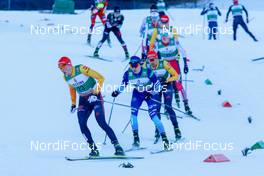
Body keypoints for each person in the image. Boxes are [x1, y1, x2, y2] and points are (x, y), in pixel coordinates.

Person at [58, 56, 125, 156]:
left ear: (69, 65)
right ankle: (93, 149)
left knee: (101, 122)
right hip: (83, 100)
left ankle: (117, 147)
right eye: (60, 68)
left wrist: (96, 92)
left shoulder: (80, 69)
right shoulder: (65, 77)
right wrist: (73, 103)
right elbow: (72, 89)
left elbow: (101, 78)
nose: (62, 70)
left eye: (62, 67)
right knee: (82, 124)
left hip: (95, 97)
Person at [111, 56, 170, 150]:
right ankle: (136, 140)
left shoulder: (148, 72)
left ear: (140, 64)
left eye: (135, 65)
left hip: (150, 94)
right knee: (133, 115)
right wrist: (117, 92)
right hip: (137, 94)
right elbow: (123, 85)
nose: (133, 67)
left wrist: (151, 93)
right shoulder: (127, 74)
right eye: (131, 65)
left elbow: (158, 86)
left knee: (154, 117)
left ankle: (165, 141)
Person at [149, 14, 193, 115]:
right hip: (164, 63)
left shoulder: (173, 35)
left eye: (166, 22)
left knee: (178, 83)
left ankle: (186, 104)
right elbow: (152, 49)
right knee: (165, 83)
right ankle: (166, 105)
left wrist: (185, 64)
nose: (164, 24)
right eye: (162, 22)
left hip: (174, 61)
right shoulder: (157, 37)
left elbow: (181, 49)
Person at [146, 50, 182, 142]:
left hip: (166, 85)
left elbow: (176, 76)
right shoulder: (147, 66)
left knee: (168, 107)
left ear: (157, 58)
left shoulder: (164, 63)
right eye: (149, 60)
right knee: (156, 108)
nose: (152, 62)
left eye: (153, 59)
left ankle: (177, 129)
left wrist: (167, 80)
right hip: (156, 87)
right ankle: (158, 130)